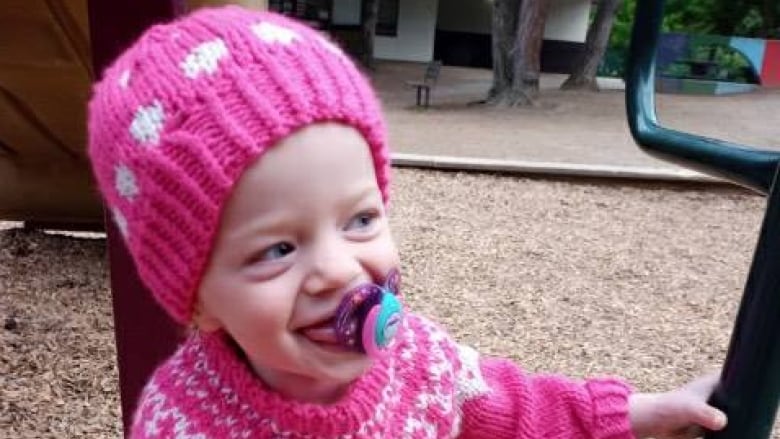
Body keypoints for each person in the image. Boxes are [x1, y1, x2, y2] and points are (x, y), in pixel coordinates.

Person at [86, 6, 728, 438]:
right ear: (197, 300)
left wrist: (644, 413)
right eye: (278, 248)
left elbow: (513, 407)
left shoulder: (415, 356)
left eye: (360, 219)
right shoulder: (185, 422)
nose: (338, 270)